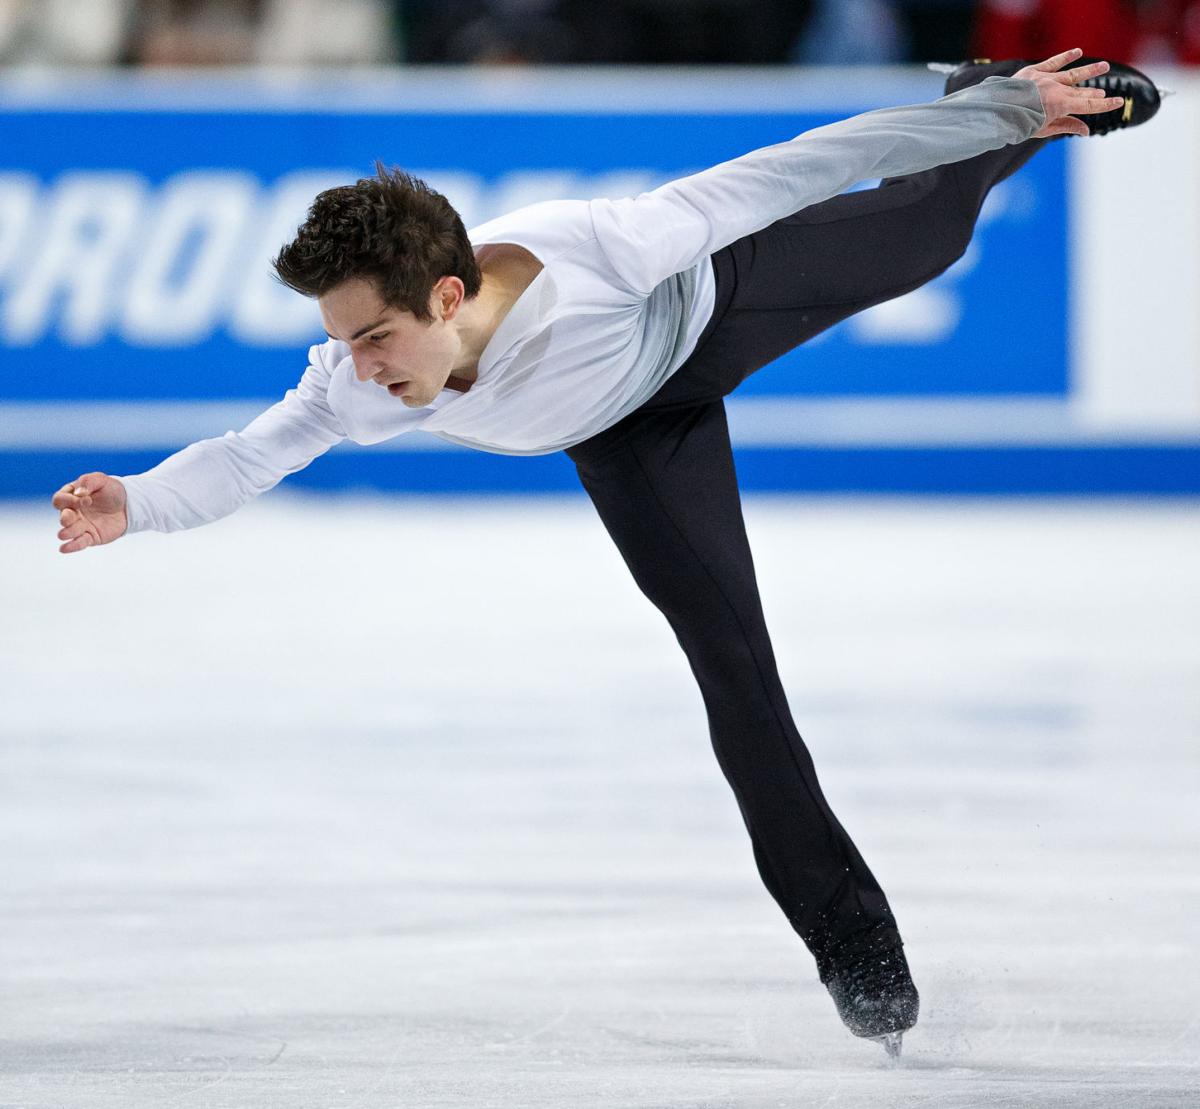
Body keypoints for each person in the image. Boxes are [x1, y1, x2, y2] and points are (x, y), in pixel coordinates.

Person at [51, 49, 1160, 1056]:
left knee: (930, 233)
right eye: (343, 342)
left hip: (709, 306)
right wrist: (137, 501)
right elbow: (248, 456)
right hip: (635, 434)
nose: (359, 367)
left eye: (377, 337)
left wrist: (1007, 109)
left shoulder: (602, 250)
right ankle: (861, 956)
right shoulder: (354, 382)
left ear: (450, 294)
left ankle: (991, 106)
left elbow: (815, 162)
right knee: (736, 671)